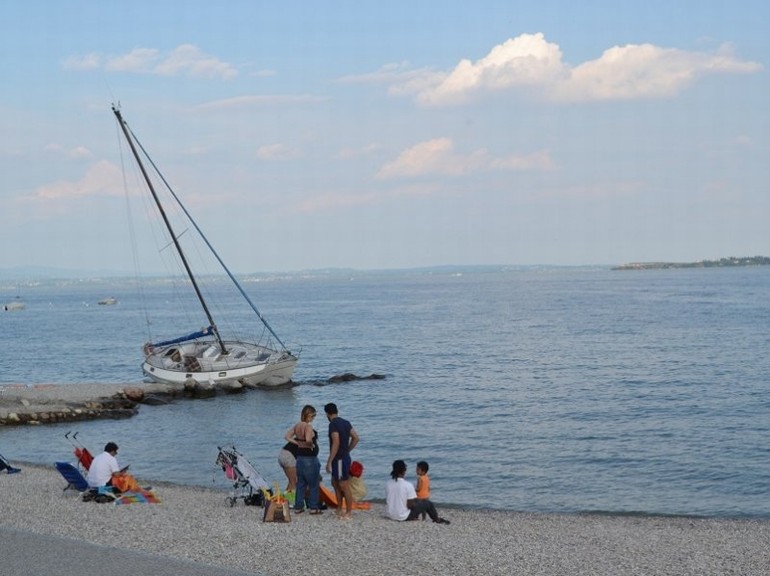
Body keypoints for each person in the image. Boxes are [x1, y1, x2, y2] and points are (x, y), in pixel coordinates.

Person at [385, 459, 449, 524]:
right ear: (404, 471)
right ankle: (436, 519)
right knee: (428, 503)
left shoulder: (388, 483)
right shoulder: (408, 485)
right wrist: (417, 506)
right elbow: (410, 506)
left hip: (390, 514)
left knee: (417, 501)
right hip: (403, 516)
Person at [324, 402, 359, 519]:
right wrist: (348, 449)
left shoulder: (333, 424)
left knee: (343, 485)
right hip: (344, 457)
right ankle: (339, 508)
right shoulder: (346, 423)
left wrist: (329, 460)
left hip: (338, 459)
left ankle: (348, 512)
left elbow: (336, 442)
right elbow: (356, 438)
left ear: (327, 414)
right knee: (335, 482)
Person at [293, 405, 323, 514]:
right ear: (309, 415)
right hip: (310, 458)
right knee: (313, 484)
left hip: (300, 458)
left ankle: (298, 506)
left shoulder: (297, 426)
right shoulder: (308, 427)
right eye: (313, 416)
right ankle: (314, 507)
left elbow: (287, 436)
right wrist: (311, 445)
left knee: (301, 483)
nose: (313, 418)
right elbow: (308, 439)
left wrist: (298, 443)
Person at [277, 425, 299, 499]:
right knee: (293, 482)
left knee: (291, 481)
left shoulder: (298, 439)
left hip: (282, 455)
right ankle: (290, 501)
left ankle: (283, 499)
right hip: (288, 457)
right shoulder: (305, 442)